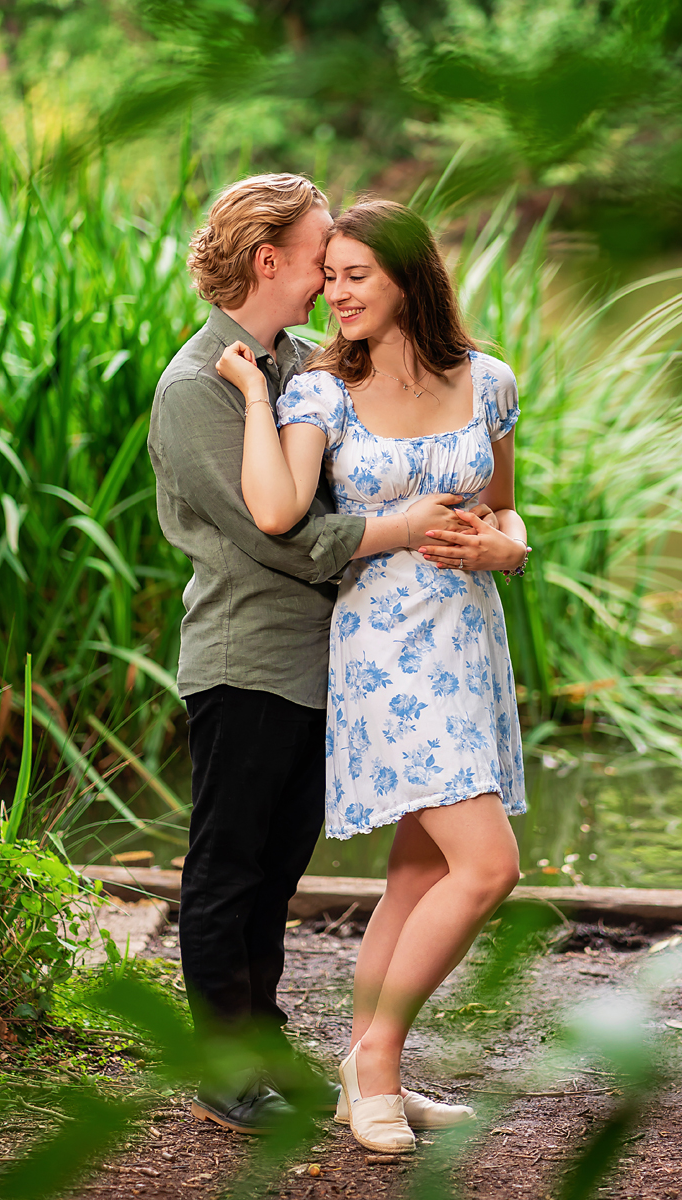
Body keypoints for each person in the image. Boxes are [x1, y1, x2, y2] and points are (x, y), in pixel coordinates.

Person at [148, 176, 497, 1135]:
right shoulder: (196, 388)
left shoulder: (303, 367)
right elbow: (281, 538)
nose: (329, 276)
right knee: (228, 868)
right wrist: (399, 525)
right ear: (271, 261)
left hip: (330, 664)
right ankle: (224, 1070)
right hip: (246, 659)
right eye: (318, 256)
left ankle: (269, 1051)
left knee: (277, 873)